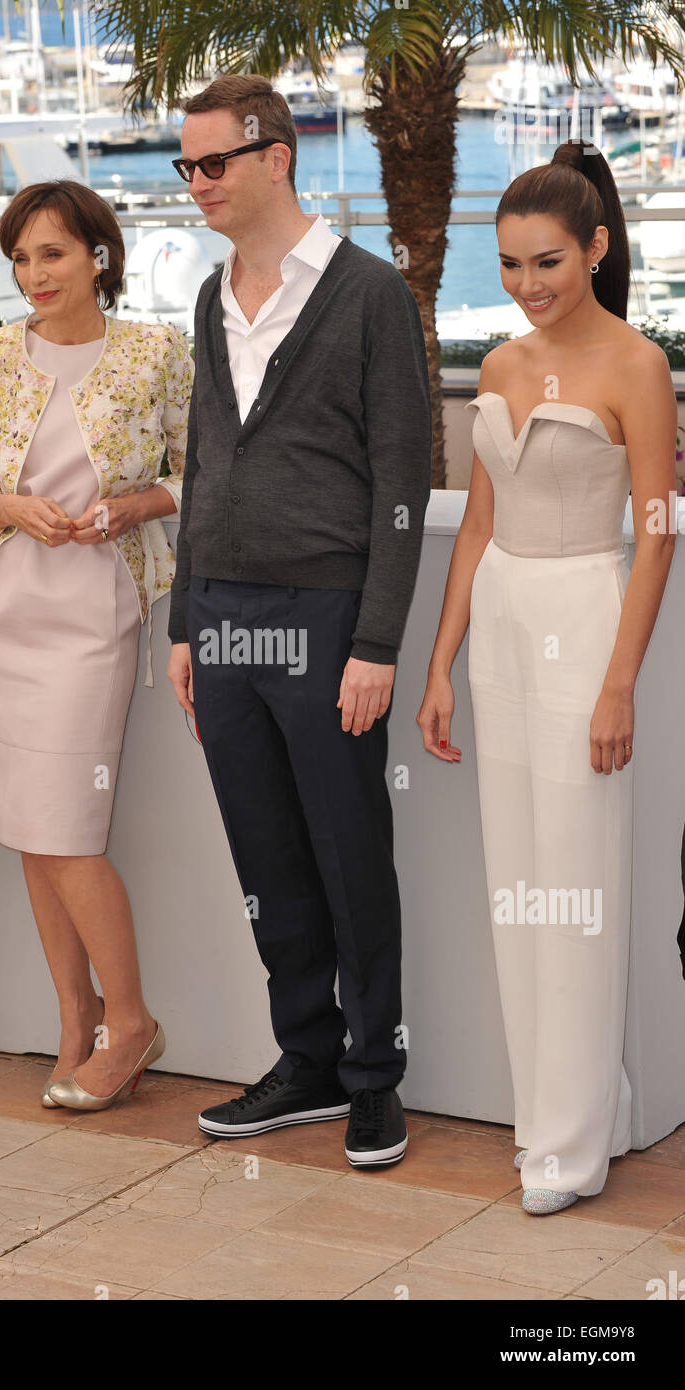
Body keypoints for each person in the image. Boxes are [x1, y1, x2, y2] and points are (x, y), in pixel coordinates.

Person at [166, 75, 431, 1168]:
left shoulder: (368, 294)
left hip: (325, 615)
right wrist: (186, 618)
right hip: (221, 616)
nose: (195, 184)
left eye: (211, 163)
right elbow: (202, 465)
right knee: (267, 852)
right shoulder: (208, 297)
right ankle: (307, 1060)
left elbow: (403, 480)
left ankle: (376, 1078)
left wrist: (375, 643)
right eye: (184, 166)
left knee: (348, 848)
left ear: (275, 155)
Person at [417, 139, 677, 1213]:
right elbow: (478, 522)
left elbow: (657, 532)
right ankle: (564, 1114)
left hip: (586, 611)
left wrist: (620, 681)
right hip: (506, 629)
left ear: (598, 249)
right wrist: (440, 664)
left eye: (549, 264)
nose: (528, 287)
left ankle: (568, 1146)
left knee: (577, 884)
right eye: (513, 265)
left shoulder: (638, 365)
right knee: (518, 881)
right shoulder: (506, 364)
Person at [0, 180, 193, 1111]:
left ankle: (129, 1022)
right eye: (19, 257)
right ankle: (72, 1018)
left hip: (94, 617)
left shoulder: (155, 352)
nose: (32, 274)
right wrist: (7, 508)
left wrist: (132, 507)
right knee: (30, 837)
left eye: (51, 253)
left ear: (99, 254)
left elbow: (198, 468)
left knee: (66, 830)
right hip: (3, 613)